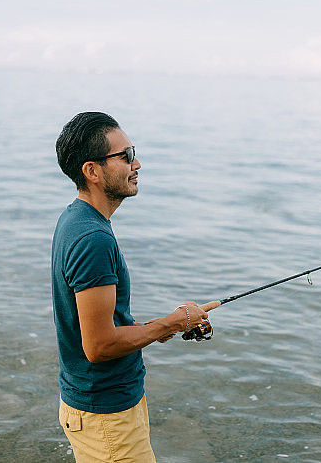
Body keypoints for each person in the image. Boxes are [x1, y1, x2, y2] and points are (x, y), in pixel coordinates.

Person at [52, 112, 210, 463]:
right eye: (125, 156)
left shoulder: (75, 219)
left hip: (101, 409)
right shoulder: (93, 238)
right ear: (92, 171)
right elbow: (99, 345)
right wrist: (172, 323)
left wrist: (149, 329)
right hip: (107, 418)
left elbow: (95, 326)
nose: (136, 163)